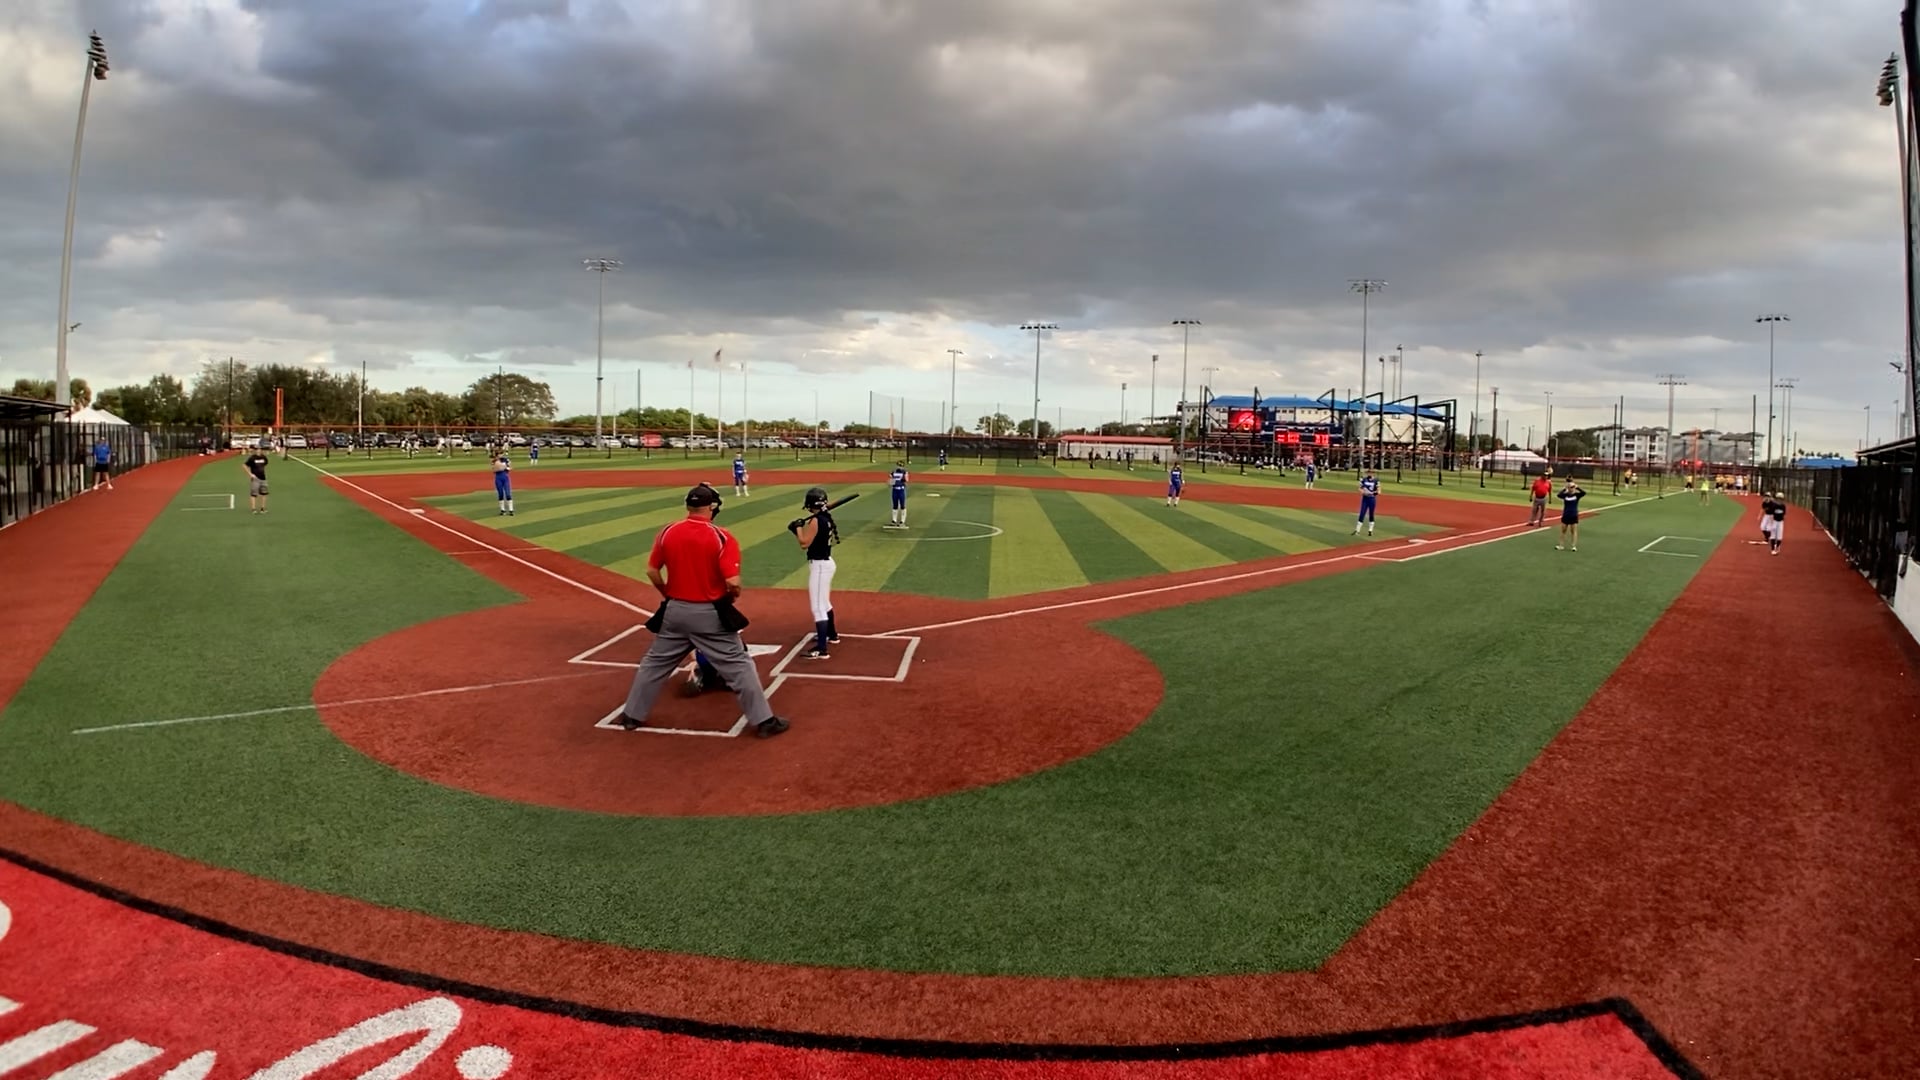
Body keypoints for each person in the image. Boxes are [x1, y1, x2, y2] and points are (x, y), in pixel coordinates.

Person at [617, 483, 789, 737]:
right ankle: (764, 721)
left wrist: (667, 594)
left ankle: (632, 715)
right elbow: (733, 583)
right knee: (740, 665)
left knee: (653, 664)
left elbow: (652, 571)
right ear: (712, 507)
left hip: (674, 611)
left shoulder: (668, 531)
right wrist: (731, 597)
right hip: (709, 615)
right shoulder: (721, 537)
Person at [790, 487, 841, 659]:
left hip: (820, 567)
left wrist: (797, 529)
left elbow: (804, 543)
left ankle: (821, 649)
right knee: (824, 602)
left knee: (818, 607)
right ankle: (832, 635)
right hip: (826, 563)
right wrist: (798, 528)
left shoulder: (816, 521)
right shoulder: (825, 518)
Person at [1556, 479, 1585, 551]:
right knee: (1563, 531)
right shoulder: (1565, 495)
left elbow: (1583, 493)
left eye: (1572, 487)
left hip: (1573, 515)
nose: (1571, 489)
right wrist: (1564, 489)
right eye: (1570, 487)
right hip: (1566, 514)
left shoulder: (1577, 495)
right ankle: (1561, 545)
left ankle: (1573, 546)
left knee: (1573, 531)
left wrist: (1578, 487)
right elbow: (1559, 495)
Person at [243, 445, 271, 514]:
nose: (258, 450)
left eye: (260, 449)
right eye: (257, 449)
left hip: (263, 478)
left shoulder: (264, 457)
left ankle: (262, 508)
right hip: (255, 479)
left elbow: (265, 464)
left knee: (264, 493)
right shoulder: (252, 458)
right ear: (255, 450)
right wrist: (250, 474)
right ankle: (253, 509)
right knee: (254, 494)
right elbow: (244, 465)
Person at [1353, 469, 1379, 536]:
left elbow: (1379, 491)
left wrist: (1373, 493)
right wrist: (1363, 492)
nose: (1370, 474)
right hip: (1365, 498)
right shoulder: (1364, 479)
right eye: (1369, 472)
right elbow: (1359, 488)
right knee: (1362, 513)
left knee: (1371, 514)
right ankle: (1357, 530)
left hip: (1372, 499)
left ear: (1373, 473)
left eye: (1371, 472)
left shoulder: (1376, 480)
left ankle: (1370, 530)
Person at [492, 449, 515, 516]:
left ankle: (511, 510)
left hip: (505, 477)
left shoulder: (506, 460)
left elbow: (510, 467)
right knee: (500, 494)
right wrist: (502, 467)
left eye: (501, 454)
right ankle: (502, 510)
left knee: (508, 494)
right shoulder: (494, 461)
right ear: (497, 455)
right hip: (498, 478)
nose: (501, 455)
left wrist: (507, 468)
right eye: (499, 454)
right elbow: (494, 470)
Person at [886, 461, 909, 528]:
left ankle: (902, 521)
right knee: (895, 505)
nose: (899, 467)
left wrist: (903, 477)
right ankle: (894, 520)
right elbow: (891, 481)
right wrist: (891, 482)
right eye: (899, 465)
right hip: (895, 490)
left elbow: (906, 480)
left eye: (901, 466)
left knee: (902, 505)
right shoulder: (893, 472)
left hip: (901, 490)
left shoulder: (904, 472)